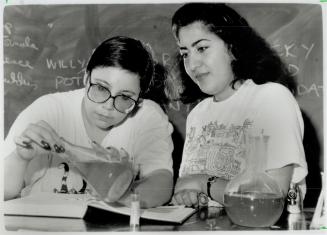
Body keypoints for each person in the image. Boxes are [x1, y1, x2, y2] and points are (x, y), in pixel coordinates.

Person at [4, 36, 174, 208]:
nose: (108, 106)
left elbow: (162, 182)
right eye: (100, 88)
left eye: (124, 97)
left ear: (138, 100)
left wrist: (120, 195)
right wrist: (19, 158)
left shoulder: (147, 116)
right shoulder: (47, 110)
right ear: (86, 78)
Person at [170, 3, 307, 207]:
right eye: (185, 54)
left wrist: (203, 183)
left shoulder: (271, 98)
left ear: (233, 47)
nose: (192, 64)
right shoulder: (197, 115)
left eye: (202, 48)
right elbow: (186, 188)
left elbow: (271, 198)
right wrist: (187, 196)